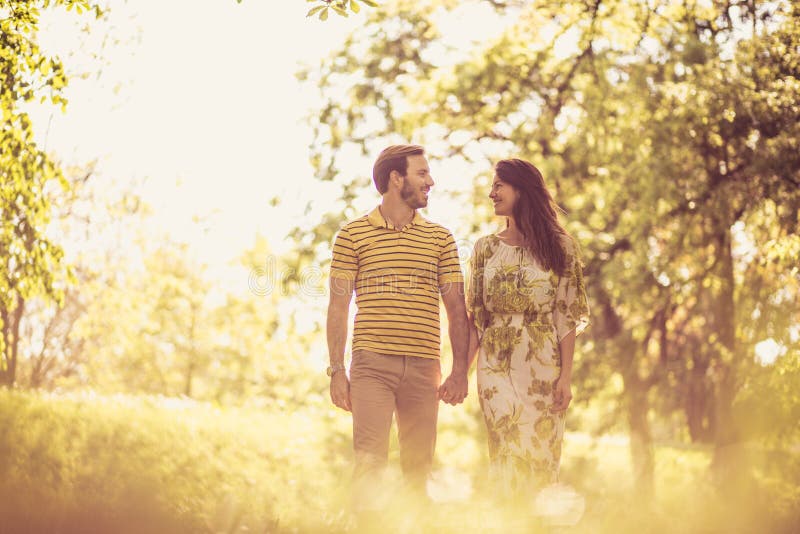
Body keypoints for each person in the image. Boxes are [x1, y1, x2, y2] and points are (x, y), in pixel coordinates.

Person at [326, 144, 470, 511]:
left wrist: (459, 371)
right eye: (422, 174)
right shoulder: (352, 235)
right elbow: (339, 305)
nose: (430, 181)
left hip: (425, 369)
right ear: (396, 178)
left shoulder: (441, 239)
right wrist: (336, 370)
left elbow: (456, 307)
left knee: (418, 475)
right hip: (372, 366)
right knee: (370, 467)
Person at [466, 158, 590, 496]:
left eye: (498, 186)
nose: (491, 193)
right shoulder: (485, 249)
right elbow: (475, 319)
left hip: (542, 368)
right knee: (506, 447)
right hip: (494, 366)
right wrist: (458, 373)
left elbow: (565, 317)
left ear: (520, 189)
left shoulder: (561, 248)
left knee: (540, 456)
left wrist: (565, 376)